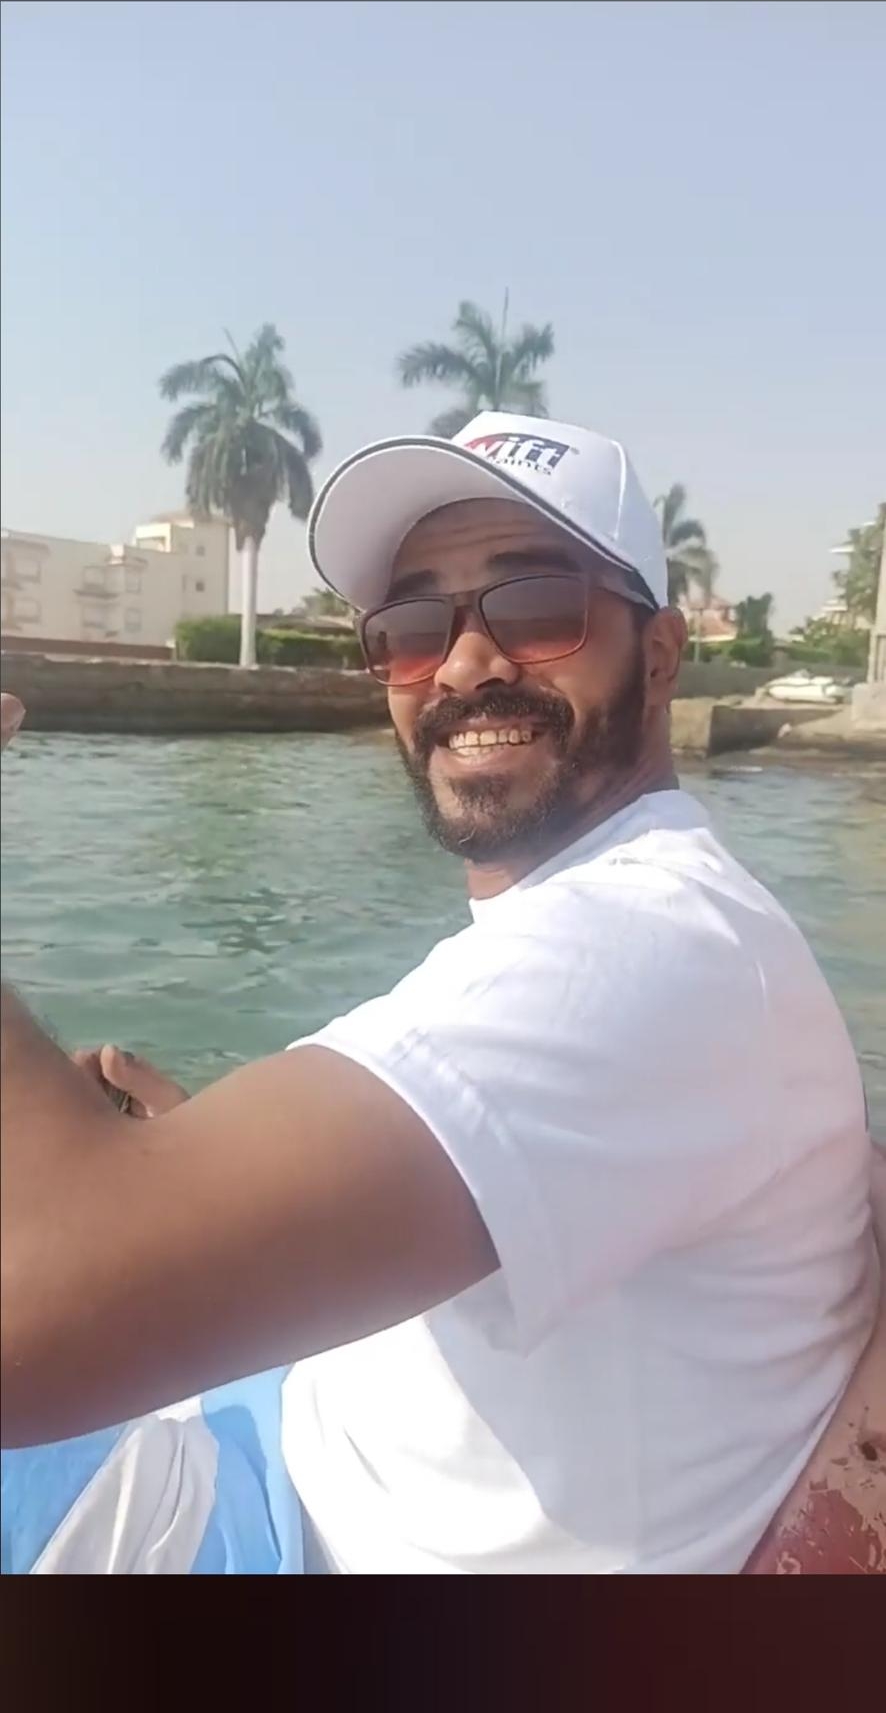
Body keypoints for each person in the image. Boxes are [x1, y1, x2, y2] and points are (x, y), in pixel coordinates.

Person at [1, 411, 881, 1575]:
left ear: (661, 653)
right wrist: (192, 1172)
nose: (463, 667)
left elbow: (24, 1326)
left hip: (294, 1532)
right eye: (413, 629)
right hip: (304, 1424)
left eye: (536, 609)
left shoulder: (639, 945)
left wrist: (110, 1207)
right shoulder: (636, 926)